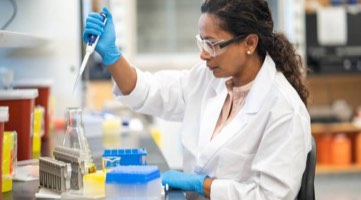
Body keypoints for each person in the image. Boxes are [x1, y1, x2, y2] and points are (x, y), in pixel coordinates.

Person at [83, 0, 312, 199]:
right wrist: (112, 55)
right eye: (201, 42)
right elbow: (151, 91)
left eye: (212, 45)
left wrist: (201, 185)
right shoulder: (210, 78)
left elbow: (268, 196)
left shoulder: (284, 110)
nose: (203, 54)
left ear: (250, 44)